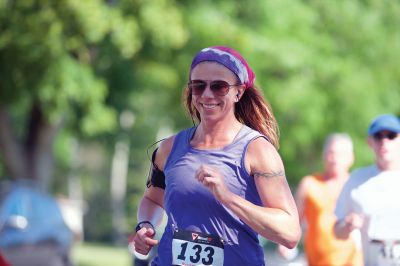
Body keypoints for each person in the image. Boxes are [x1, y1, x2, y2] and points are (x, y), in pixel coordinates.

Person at [131, 46, 301, 265]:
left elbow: (289, 234)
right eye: (198, 86)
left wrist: (228, 198)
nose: (207, 94)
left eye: (219, 87)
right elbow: (152, 199)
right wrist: (146, 225)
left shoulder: (257, 151)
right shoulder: (169, 148)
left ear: (238, 92)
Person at [278, 133, 363, 265]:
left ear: (351, 158)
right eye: (331, 153)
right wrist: (284, 242)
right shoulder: (309, 184)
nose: (335, 159)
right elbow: (294, 221)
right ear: (324, 156)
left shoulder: (357, 186)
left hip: (352, 261)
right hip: (317, 261)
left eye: (341, 154)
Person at [334, 114, 400, 266]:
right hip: (373, 258)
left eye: (391, 136)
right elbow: (337, 231)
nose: (384, 142)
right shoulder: (357, 179)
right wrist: (347, 225)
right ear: (369, 141)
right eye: (378, 136)